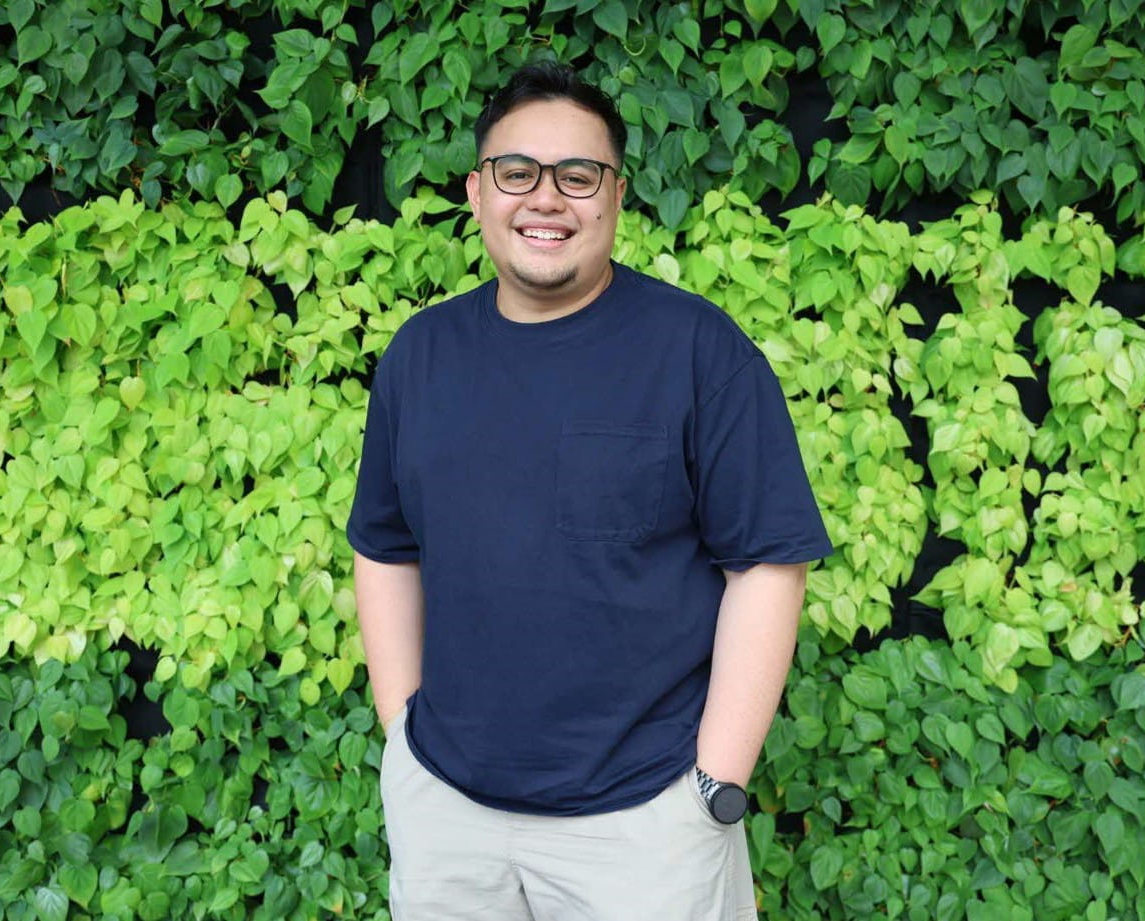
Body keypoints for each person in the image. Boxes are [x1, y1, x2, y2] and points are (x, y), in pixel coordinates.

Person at [347, 60, 832, 921]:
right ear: (477, 191)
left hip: (643, 829)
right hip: (449, 820)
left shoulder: (698, 353)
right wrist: (401, 741)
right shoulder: (420, 356)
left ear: (614, 196)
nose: (546, 199)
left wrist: (715, 785)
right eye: (517, 172)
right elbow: (384, 546)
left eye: (578, 175)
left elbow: (766, 565)